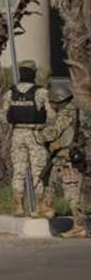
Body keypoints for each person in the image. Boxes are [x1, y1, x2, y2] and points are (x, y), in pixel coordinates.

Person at [40, 79, 86, 236]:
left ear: (58, 100)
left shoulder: (65, 114)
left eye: (52, 101)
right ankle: (46, 209)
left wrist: (39, 133)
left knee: (72, 195)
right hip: (64, 159)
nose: (51, 104)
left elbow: (50, 133)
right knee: (49, 184)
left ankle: (79, 227)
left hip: (67, 160)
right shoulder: (78, 111)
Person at [2, 60, 48, 217]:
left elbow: (3, 117)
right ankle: (39, 208)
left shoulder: (10, 92)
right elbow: (51, 115)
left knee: (18, 171)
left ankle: (18, 207)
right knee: (38, 172)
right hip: (35, 134)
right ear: (34, 73)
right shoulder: (41, 92)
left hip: (17, 134)